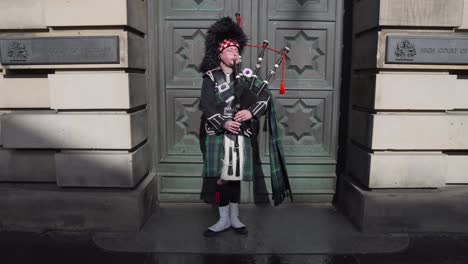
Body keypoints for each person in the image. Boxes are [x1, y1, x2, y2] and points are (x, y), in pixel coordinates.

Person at [198, 16, 292, 237]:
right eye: (231, 51)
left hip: (240, 134)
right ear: (220, 53)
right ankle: (222, 219)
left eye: (238, 51)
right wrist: (224, 121)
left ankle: (234, 217)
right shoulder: (211, 77)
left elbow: (265, 98)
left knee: (234, 176)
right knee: (222, 179)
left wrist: (250, 112)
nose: (236, 54)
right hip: (218, 133)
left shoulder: (246, 77)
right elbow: (206, 105)